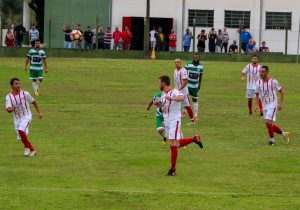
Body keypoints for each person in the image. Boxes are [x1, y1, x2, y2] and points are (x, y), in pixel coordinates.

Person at [153, 75, 203, 176]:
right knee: (175, 144)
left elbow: (182, 97)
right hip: (167, 121)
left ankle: (173, 169)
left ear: (163, 83)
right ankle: (194, 139)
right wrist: (158, 104)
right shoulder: (163, 95)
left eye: (159, 82)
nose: (158, 84)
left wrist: (171, 98)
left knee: (172, 144)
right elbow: (164, 108)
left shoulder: (174, 91)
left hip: (174, 121)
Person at [5, 78, 42, 156]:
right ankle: (33, 150)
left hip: (26, 115)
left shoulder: (25, 93)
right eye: (16, 83)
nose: (18, 85)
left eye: (19, 83)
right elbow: (8, 109)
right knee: (22, 136)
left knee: (21, 130)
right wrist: (12, 108)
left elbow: (34, 102)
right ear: (11, 85)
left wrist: (39, 113)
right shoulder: (9, 97)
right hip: (17, 119)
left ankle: (27, 148)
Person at [255, 66, 290, 145]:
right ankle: (285, 134)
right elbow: (257, 94)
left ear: (267, 72)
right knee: (268, 124)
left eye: (263, 72)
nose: (261, 73)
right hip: (264, 105)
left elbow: (282, 91)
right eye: (260, 72)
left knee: (267, 122)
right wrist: (257, 105)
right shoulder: (258, 82)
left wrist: (281, 103)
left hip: (272, 104)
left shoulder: (273, 81)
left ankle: (272, 141)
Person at [173, 59, 195, 125]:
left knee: (187, 106)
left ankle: (192, 121)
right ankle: (175, 119)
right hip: (176, 91)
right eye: (175, 62)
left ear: (181, 63)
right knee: (174, 104)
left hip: (183, 92)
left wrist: (179, 89)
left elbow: (185, 82)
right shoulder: (175, 70)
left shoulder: (183, 70)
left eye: (178, 62)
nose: (176, 63)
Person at [185, 53, 204, 121]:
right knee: (185, 99)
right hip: (187, 85)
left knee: (195, 100)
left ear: (199, 58)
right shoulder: (188, 65)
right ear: (193, 58)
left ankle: (195, 115)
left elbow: (201, 77)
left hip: (195, 86)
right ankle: (184, 112)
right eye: (195, 58)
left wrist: (199, 85)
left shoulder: (201, 67)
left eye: (197, 58)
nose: (196, 59)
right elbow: (184, 74)